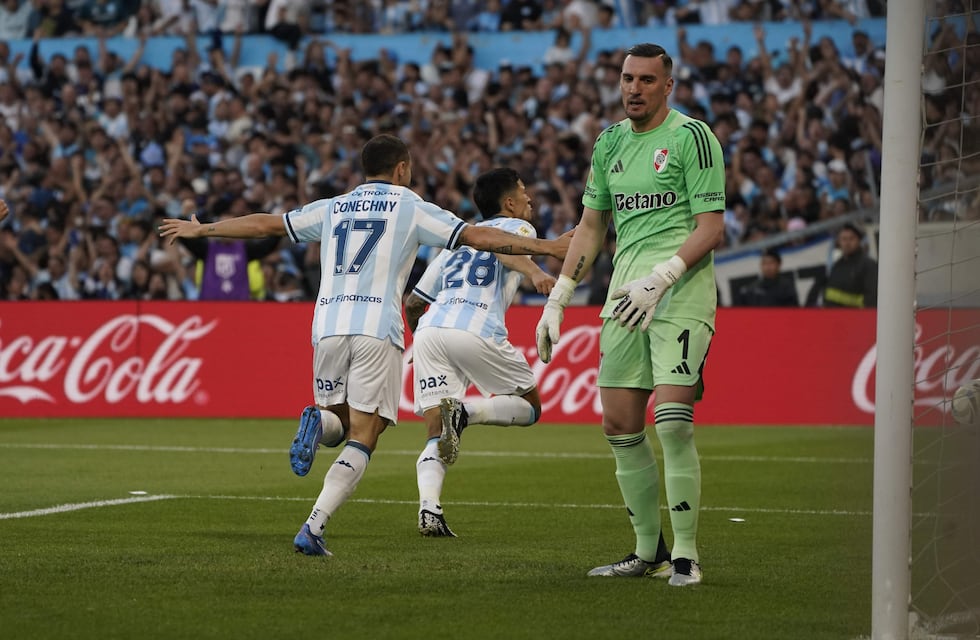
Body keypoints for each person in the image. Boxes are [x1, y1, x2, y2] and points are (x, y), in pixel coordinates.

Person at [159, 134, 569, 557]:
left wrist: (203, 228)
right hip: (377, 327)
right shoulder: (411, 206)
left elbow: (267, 223)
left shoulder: (334, 206)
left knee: (336, 422)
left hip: (328, 325)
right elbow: (482, 239)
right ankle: (313, 526)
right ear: (402, 169)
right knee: (366, 433)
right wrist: (547, 248)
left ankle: (318, 426)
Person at [534, 43, 726, 586]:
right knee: (619, 425)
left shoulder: (693, 138)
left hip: (679, 293)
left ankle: (686, 554)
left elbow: (711, 228)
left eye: (646, 80)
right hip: (623, 297)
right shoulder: (610, 142)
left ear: (669, 86)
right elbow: (591, 226)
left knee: (671, 421)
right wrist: (559, 298)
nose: (633, 89)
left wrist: (662, 277)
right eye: (626, 78)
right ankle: (648, 553)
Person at [403, 167, 556, 537]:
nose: (529, 199)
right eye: (523, 191)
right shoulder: (519, 229)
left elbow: (412, 303)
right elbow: (504, 251)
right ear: (509, 204)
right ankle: (467, 414)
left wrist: (423, 338)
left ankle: (429, 509)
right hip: (476, 328)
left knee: (434, 430)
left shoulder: (455, 241)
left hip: (431, 330)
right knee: (531, 407)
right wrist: (534, 271)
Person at [822, 222, 877, 308]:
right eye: (844, 239)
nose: (847, 243)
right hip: (835, 318)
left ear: (859, 240)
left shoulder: (868, 265)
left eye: (851, 238)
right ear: (839, 242)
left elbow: (872, 298)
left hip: (858, 318)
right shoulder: (837, 265)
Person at [732, 247, 799, 306]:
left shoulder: (786, 286)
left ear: (779, 264)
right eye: (764, 263)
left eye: (771, 263)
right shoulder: (752, 288)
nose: (767, 267)